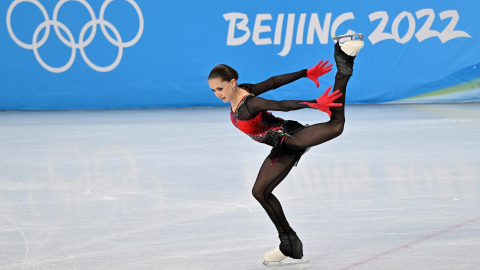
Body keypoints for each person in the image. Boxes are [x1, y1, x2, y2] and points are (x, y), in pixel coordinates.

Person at [207, 34, 364, 265]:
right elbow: (272, 82)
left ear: (232, 82)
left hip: (288, 138)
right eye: (213, 90)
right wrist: (305, 73)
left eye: (220, 88)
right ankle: (289, 244)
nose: (218, 94)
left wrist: (312, 103)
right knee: (260, 192)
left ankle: (343, 59)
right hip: (281, 143)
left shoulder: (249, 103)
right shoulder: (243, 91)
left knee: (336, 125)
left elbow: (280, 105)